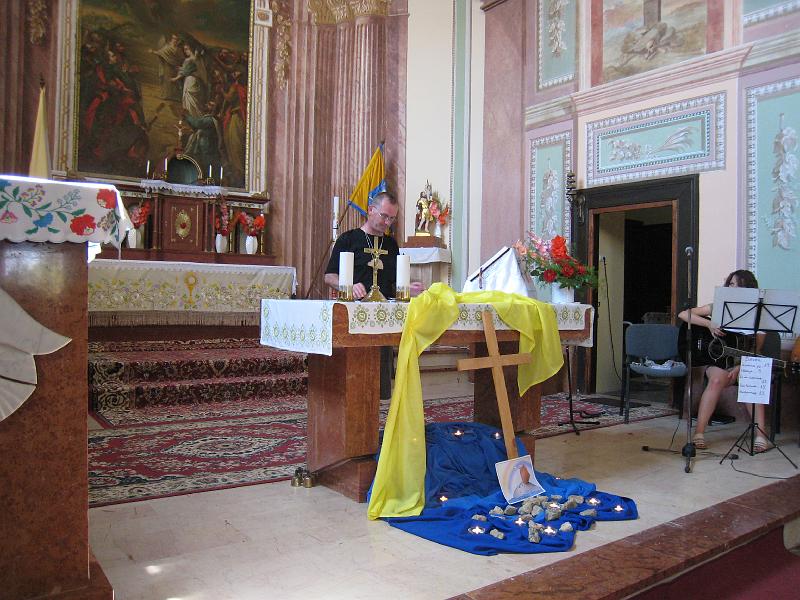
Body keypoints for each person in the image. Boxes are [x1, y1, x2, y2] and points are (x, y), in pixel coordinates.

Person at [678, 269, 770, 452]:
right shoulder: (719, 307)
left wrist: (740, 366)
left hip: (745, 361)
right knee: (716, 380)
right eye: (731, 284)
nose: (733, 288)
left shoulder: (760, 314)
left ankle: (761, 435)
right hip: (720, 361)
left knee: (752, 378)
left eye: (738, 285)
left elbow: (756, 349)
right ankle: (699, 433)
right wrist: (709, 324)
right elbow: (683, 314)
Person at [324, 191, 424, 300]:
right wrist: (348, 287)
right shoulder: (348, 239)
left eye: (392, 218)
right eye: (384, 216)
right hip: (356, 304)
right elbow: (329, 276)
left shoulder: (391, 244)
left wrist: (407, 288)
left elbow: (393, 282)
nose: (387, 222)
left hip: (386, 306)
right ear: (371, 210)